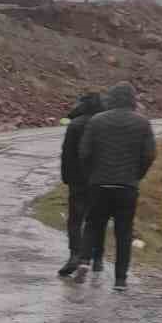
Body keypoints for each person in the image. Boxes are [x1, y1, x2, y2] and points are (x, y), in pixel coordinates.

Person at [78, 82, 156, 291]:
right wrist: (137, 175)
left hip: (99, 183)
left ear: (111, 98)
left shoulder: (96, 120)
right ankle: (120, 279)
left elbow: (84, 152)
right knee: (124, 232)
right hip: (127, 186)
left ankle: (84, 260)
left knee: (93, 223)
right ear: (133, 100)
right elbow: (149, 154)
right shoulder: (143, 123)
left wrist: (91, 175)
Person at [57, 91, 104, 277]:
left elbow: (67, 155)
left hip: (77, 180)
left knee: (75, 220)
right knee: (97, 219)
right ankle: (97, 259)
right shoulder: (104, 123)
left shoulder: (75, 125)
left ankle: (75, 254)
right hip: (99, 180)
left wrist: (66, 177)